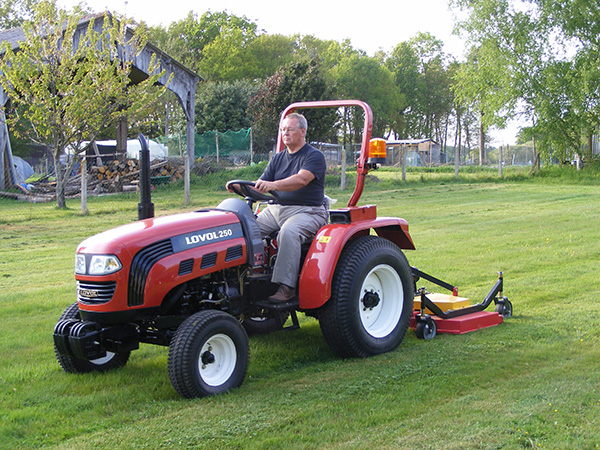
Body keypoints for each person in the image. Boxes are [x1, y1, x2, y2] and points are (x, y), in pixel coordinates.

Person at [231, 113, 328, 303]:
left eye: (290, 129)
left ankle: (286, 287)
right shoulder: (278, 159)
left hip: (308, 211)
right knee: (245, 230)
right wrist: (239, 187)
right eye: (283, 130)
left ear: (302, 131)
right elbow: (261, 184)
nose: (285, 133)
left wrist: (273, 185)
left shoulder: (314, 156)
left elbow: (301, 180)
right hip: (276, 210)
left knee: (289, 232)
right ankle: (246, 279)